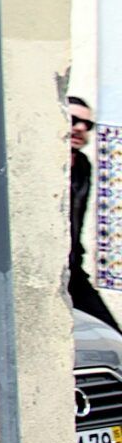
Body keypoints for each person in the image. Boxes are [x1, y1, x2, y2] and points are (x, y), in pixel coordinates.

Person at [74, 95, 121, 332]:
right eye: (73, 120)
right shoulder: (48, 165)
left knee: (109, 331)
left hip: (73, 267)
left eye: (87, 124)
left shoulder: (83, 165)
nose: (79, 128)